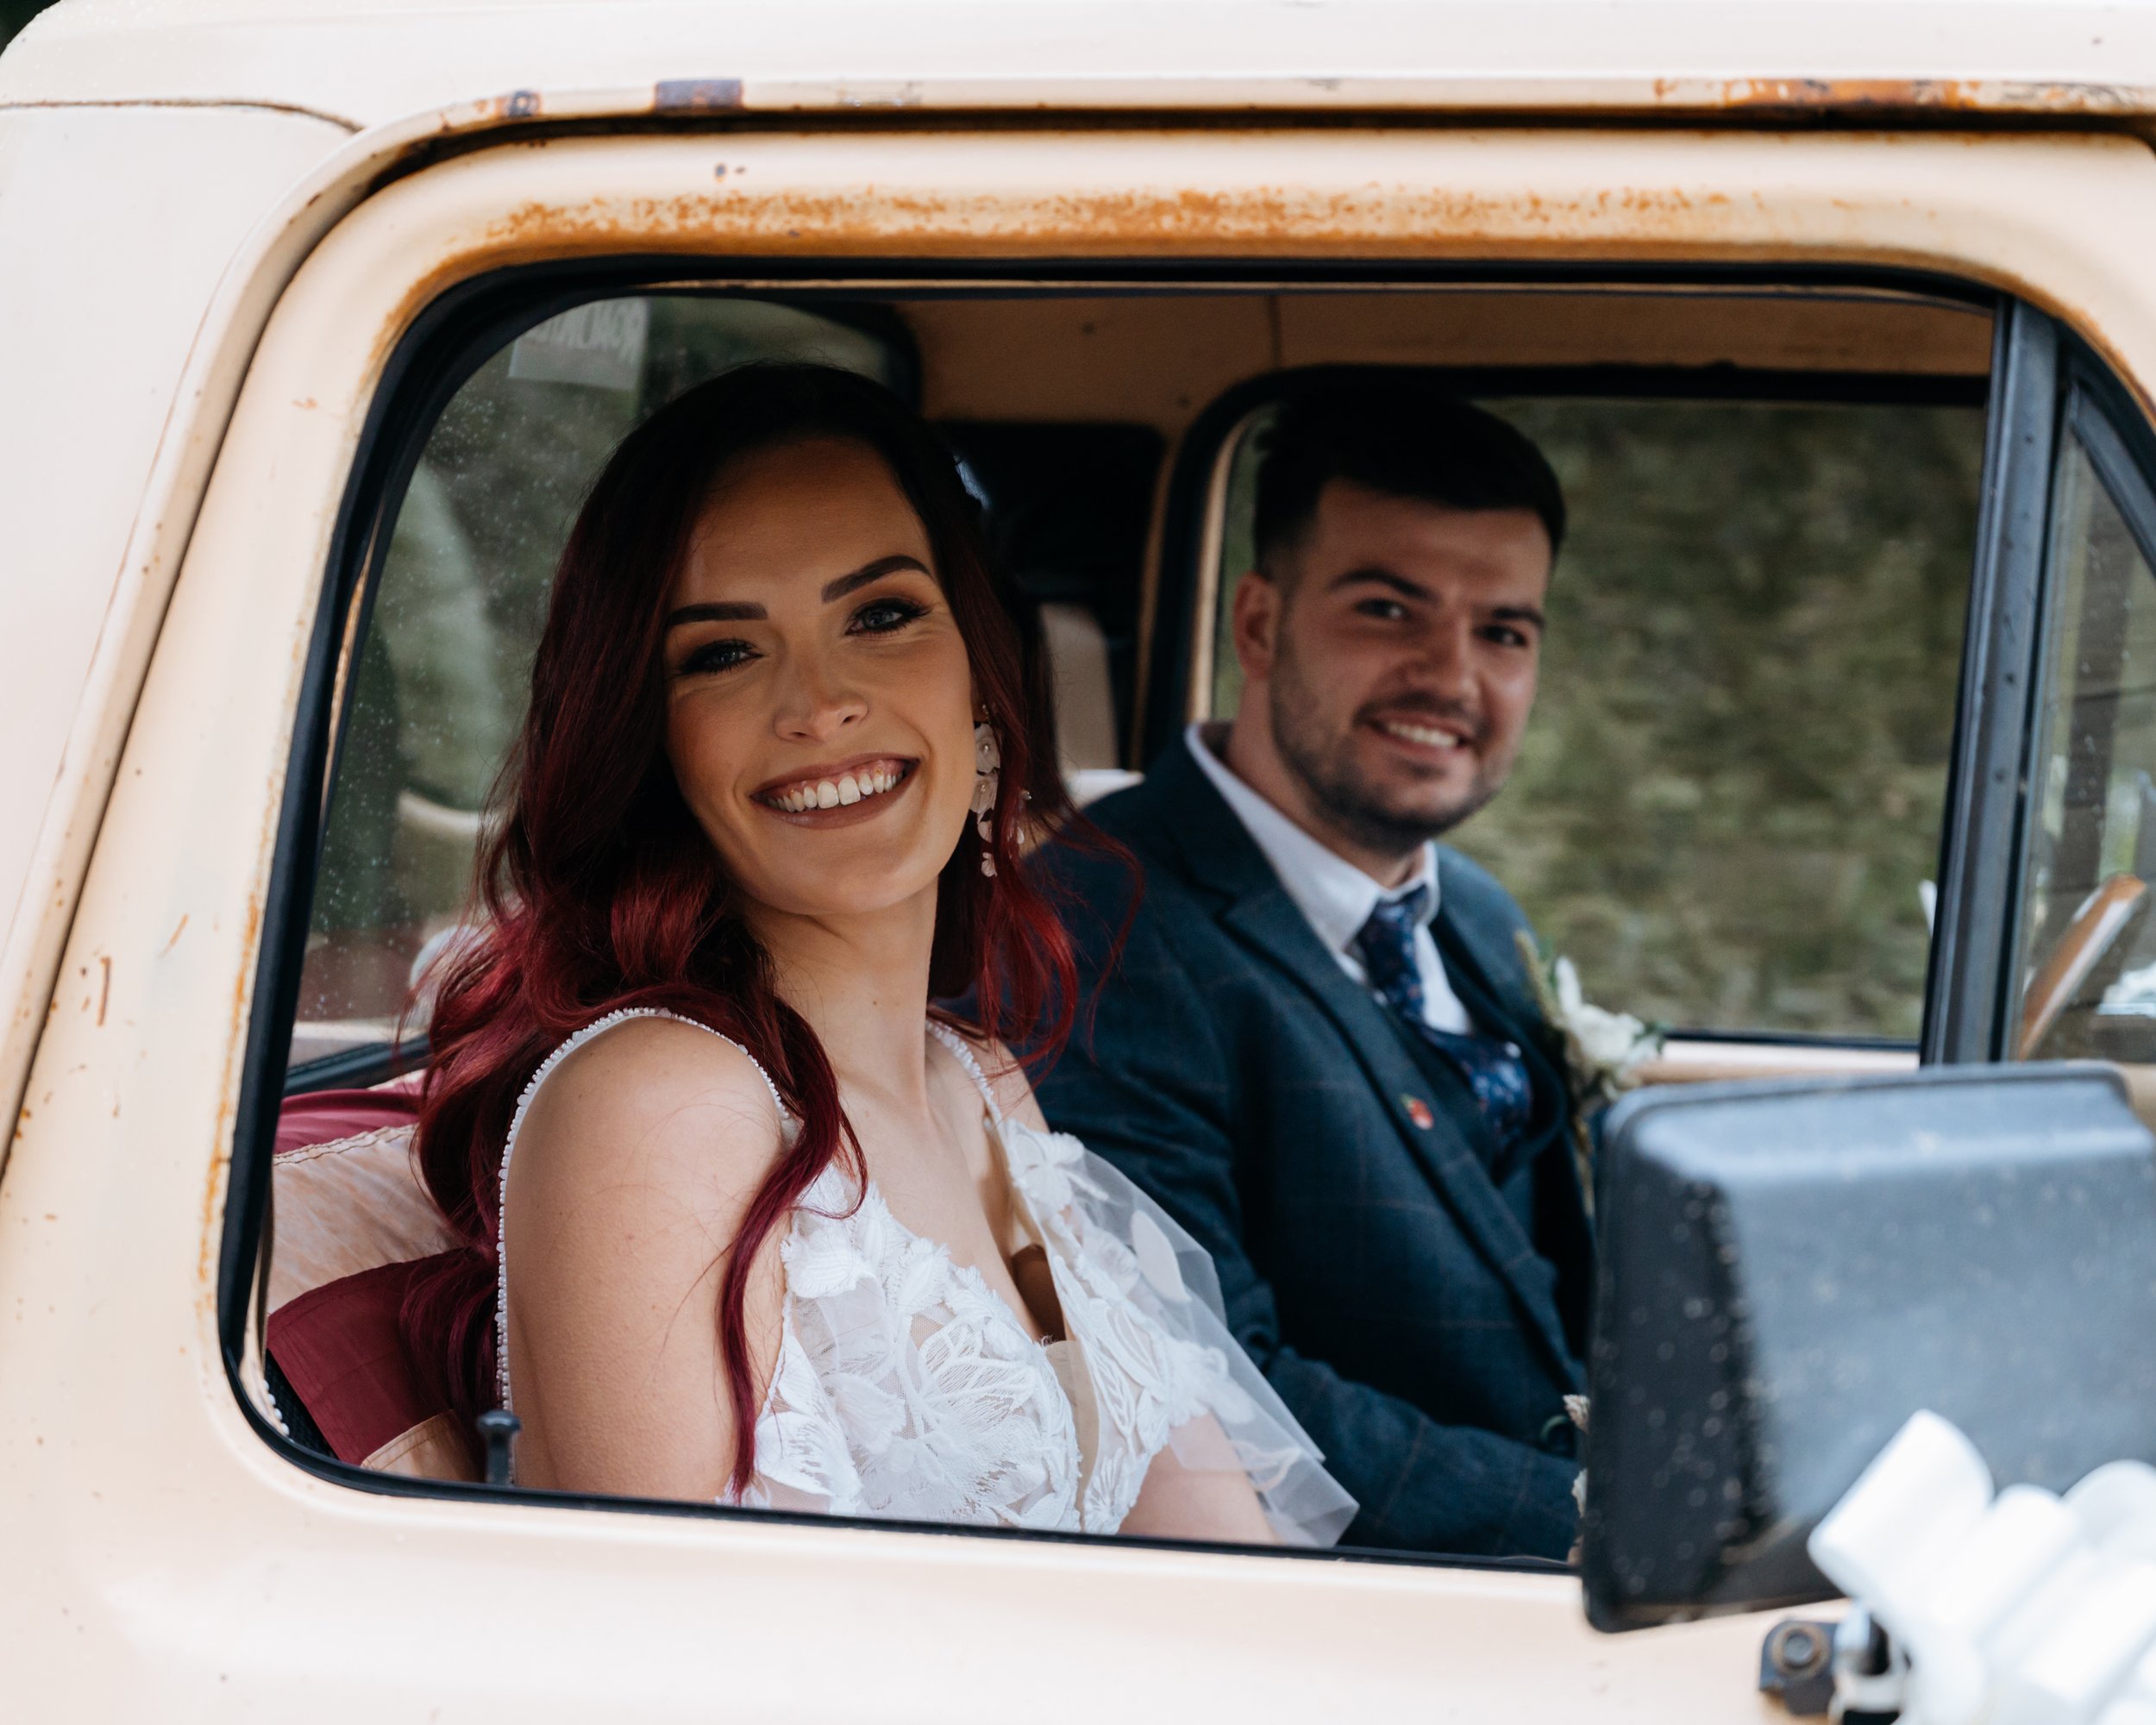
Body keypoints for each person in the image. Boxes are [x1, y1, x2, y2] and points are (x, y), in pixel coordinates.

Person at [398, 364, 1354, 1546]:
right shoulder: (655, 1108)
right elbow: (665, 1662)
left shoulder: (982, 1082)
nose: (819, 702)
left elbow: (1217, 1548)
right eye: (723, 655)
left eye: (881, 615)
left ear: (980, 683)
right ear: (657, 750)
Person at [1034, 382, 1590, 1559]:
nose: (1452, 676)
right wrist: (1598, 1517)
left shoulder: (1477, 916)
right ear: (1257, 623)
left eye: (1504, 631)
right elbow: (1218, 1384)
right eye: (1390, 609)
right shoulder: (1102, 923)